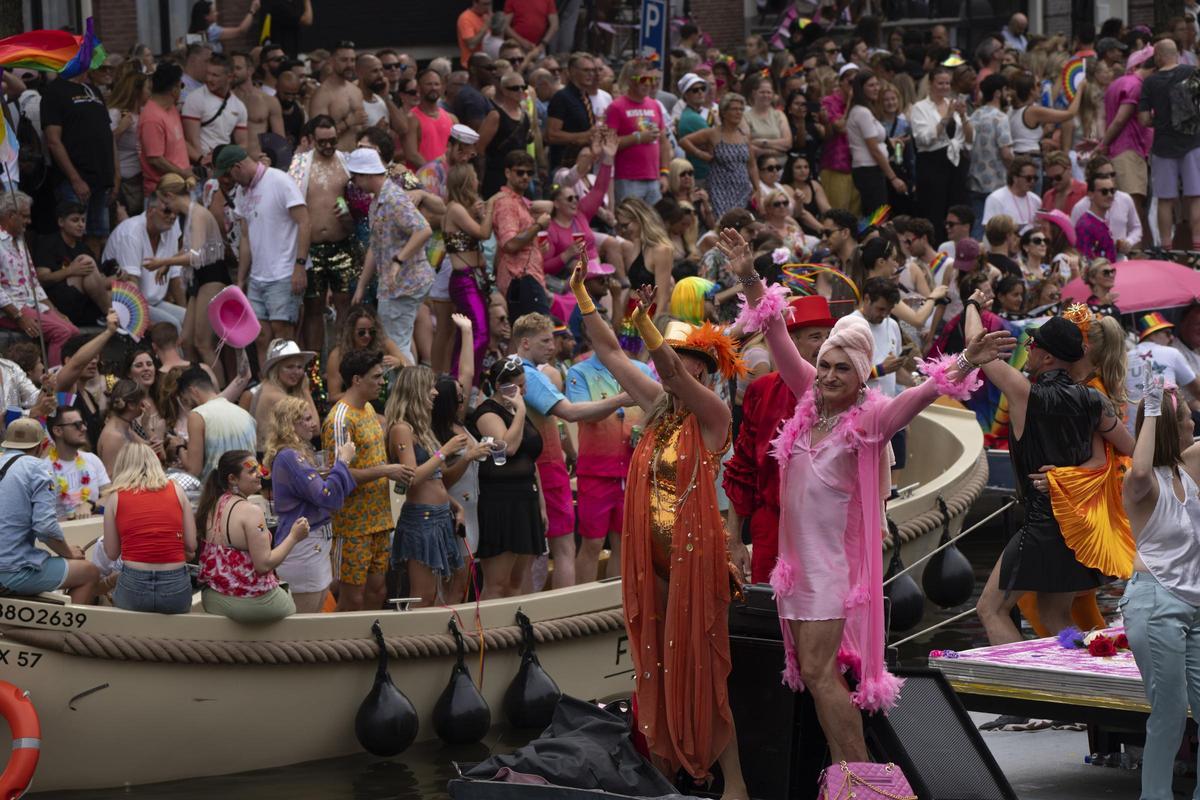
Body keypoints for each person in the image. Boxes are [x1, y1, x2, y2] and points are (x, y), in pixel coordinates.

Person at [726, 230, 1010, 770]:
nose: (828, 375)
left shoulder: (871, 420)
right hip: (794, 571)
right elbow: (776, 333)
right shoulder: (810, 401)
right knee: (816, 675)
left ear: (862, 377)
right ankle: (845, 774)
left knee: (818, 673)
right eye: (825, 365)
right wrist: (747, 275)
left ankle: (859, 774)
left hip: (829, 572)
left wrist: (967, 362)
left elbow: (923, 392)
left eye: (842, 369)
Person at [568, 259, 747, 795]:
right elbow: (608, 352)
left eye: (691, 361)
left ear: (704, 372)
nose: (677, 369)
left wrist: (648, 324)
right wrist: (581, 292)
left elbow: (663, 368)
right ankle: (666, 771)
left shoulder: (713, 414)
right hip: (653, 555)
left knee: (705, 673)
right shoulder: (656, 407)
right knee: (657, 664)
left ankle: (734, 782)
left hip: (696, 557)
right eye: (680, 359)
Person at [969, 295, 1133, 644]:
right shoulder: (1094, 400)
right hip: (1077, 527)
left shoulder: (1023, 392)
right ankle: (1085, 679)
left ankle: (1022, 686)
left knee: (990, 609)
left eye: (1032, 346)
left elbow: (976, 348)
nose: (1027, 352)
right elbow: (1128, 449)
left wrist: (972, 304)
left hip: (1043, 524)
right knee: (1054, 614)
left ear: (1046, 357)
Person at [1121, 375, 1200, 800]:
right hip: (1155, 604)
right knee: (1169, 711)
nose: (1193, 425)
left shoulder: (1188, 472)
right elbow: (1138, 466)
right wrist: (1151, 409)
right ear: (1172, 426)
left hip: (1194, 606)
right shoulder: (1142, 485)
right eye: (1188, 419)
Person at [723, 295, 834, 584]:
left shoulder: (844, 397)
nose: (825, 343)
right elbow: (743, 468)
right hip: (771, 527)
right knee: (771, 616)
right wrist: (734, 540)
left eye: (829, 336)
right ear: (790, 342)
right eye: (814, 336)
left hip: (828, 529)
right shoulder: (762, 391)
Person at [511, 312, 628, 587]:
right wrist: (621, 398)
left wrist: (571, 453)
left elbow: (558, 425)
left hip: (538, 466)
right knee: (562, 547)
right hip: (545, 467)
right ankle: (567, 611)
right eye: (545, 341)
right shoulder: (529, 375)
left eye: (553, 340)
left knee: (532, 551)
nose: (552, 346)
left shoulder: (512, 371)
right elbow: (571, 413)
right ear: (525, 343)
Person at [322, 349, 413, 611]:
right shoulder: (340, 420)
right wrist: (386, 471)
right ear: (356, 380)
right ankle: (344, 650)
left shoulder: (369, 408)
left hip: (379, 519)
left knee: (378, 590)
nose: (382, 382)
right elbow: (338, 474)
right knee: (352, 597)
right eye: (376, 377)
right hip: (352, 525)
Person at [385, 366, 473, 606]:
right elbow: (412, 477)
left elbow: (435, 478)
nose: (435, 392)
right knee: (421, 595)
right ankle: (413, 643)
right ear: (415, 391)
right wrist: (445, 451)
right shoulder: (401, 429)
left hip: (440, 516)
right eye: (430, 387)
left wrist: (456, 507)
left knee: (434, 595)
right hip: (421, 520)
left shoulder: (420, 429)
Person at [219, 144, 310, 367]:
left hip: (283, 272)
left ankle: (290, 393)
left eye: (229, 175)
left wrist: (299, 265)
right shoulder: (242, 191)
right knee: (260, 338)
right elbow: (246, 237)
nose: (229, 181)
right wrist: (241, 278)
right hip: (258, 276)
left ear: (238, 167)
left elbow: (304, 221)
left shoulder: (279, 181)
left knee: (283, 338)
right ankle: (266, 390)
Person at [263, 396, 356, 613]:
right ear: (290, 424)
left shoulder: (296, 454)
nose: (313, 423)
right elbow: (325, 496)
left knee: (316, 612)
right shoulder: (289, 457)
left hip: (315, 543)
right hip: (304, 546)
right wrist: (343, 462)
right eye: (306, 419)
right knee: (305, 622)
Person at [467, 356, 545, 598]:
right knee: (497, 582)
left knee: (516, 581)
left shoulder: (517, 409)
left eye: (524, 384)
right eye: (518, 386)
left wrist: (541, 504)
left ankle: (513, 634)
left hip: (526, 498)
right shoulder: (487, 413)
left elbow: (531, 459)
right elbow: (508, 447)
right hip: (501, 501)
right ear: (501, 387)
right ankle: (491, 633)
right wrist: (520, 410)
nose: (524, 390)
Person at [347, 147, 433, 365]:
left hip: (404, 283)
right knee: (397, 341)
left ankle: (407, 394)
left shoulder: (393, 198)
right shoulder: (377, 202)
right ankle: (408, 391)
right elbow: (375, 247)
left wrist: (398, 260)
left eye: (355, 176)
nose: (354, 182)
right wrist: (361, 285)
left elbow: (423, 230)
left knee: (395, 344)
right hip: (394, 285)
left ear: (366, 174)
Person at [195, 450, 303, 621]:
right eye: (252, 471)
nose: (260, 474)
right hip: (248, 603)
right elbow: (264, 564)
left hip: (214, 598)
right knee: (289, 600)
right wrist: (294, 537)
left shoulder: (212, 504)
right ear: (232, 479)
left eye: (258, 468)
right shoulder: (251, 512)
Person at [0, 418, 99, 603]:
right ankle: (68, 632)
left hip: (7, 566)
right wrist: (69, 552)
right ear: (41, 446)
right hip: (9, 571)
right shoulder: (37, 468)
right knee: (89, 572)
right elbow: (45, 528)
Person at [145, 173, 230, 375]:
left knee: (203, 343)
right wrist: (168, 264)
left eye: (164, 202)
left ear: (169, 196)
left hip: (212, 277)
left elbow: (196, 255)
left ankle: (220, 396)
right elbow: (190, 249)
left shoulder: (198, 214)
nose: (167, 209)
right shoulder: (190, 215)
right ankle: (192, 385)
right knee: (186, 341)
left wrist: (164, 261)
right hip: (200, 279)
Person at [286, 115, 355, 355]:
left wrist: (349, 214)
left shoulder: (346, 163)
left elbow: (359, 202)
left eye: (332, 141)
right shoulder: (299, 164)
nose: (327, 146)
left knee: (345, 306)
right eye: (322, 141)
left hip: (342, 244)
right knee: (313, 308)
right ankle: (315, 370)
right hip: (312, 248)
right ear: (312, 140)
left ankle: (342, 361)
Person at [102, 443, 196, 614]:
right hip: (175, 584)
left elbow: (112, 553)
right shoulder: (177, 490)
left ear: (122, 466)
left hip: (133, 583)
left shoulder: (115, 497)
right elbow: (191, 545)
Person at [40, 58, 116, 255]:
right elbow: (53, 140)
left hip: (102, 179)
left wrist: (116, 175)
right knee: (74, 235)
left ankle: (93, 278)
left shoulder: (93, 90)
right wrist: (75, 179)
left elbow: (108, 134)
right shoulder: (53, 92)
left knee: (98, 235)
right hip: (74, 181)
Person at [1138, 39, 1200, 250]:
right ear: (1176, 54)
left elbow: (1144, 119)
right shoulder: (1192, 73)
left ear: (1158, 56)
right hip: (1192, 142)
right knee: (1195, 196)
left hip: (1163, 146)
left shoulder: (1150, 82)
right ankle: (1197, 247)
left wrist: (1161, 120)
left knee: (1165, 199)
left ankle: (1166, 248)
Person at [101, 193, 188, 332]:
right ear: (150, 210)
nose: (172, 216)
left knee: (190, 320)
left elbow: (174, 277)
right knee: (171, 326)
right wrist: (144, 323)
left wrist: (184, 310)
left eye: (175, 213)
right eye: (167, 211)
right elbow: (131, 284)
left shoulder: (170, 229)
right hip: (126, 303)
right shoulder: (131, 232)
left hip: (154, 302)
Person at [1097, 46, 1154, 250]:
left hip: (1120, 150)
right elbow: (1120, 119)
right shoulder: (1137, 86)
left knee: (1127, 205)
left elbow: (1110, 118)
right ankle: (1138, 254)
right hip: (1129, 151)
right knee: (1134, 205)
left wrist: (1103, 143)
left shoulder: (1118, 83)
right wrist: (1103, 145)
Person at [910, 66, 971, 241]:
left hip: (955, 163)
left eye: (947, 83)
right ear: (931, 84)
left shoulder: (953, 103)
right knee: (934, 211)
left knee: (956, 210)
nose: (945, 87)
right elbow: (923, 139)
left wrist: (964, 116)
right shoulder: (920, 108)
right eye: (940, 83)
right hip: (932, 164)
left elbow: (968, 138)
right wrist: (946, 118)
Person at [33, 200, 110, 329]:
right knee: (85, 261)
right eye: (75, 220)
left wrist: (119, 279)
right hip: (57, 300)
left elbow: (99, 281)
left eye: (83, 221)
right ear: (61, 222)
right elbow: (41, 279)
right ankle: (112, 316)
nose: (81, 225)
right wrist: (70, 271)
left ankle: (111, 315)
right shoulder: (48, 243)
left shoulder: (84, 247)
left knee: (125, 286)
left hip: (84, 301)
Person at [493, 150, 552, 319]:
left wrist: (537, 247)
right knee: (539, 334)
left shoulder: (519, 202)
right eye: (520, 172)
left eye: (529, 173)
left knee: (525, 337)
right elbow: (510, 244)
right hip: (520, 278)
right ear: (507, 173)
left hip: (527, 277)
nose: (525, 177)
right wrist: (539, 225)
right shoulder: (507, 204)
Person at [681, 93, 756, 221]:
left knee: (740, 223)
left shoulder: (744, 135)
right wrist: (701, 154)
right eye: (734, 109)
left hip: (742, 189)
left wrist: (757, 189)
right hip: (720, 189)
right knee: (722, 223)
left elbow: (752, 165)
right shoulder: (713, 133)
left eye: (740, 109)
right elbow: (684, 141)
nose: (738, 112)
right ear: (724, 112)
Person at [606, 60, 670, 205]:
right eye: (643, 79)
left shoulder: (655, 105)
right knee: (631, 221)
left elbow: (664, 143)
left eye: (652, 79)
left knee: (653, 225)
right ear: (630, 81)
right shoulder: (616, 107)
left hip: (653, 178)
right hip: (628, 179)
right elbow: (608, 144)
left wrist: (665, 173)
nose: (649, 84)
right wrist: (639, 138)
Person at [846, 70, 908, 217]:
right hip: (869, 170)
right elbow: (873, 149)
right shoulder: (862, 112)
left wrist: (890, 142)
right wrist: (893, 178)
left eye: (877, 84)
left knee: (878, 215)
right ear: (861, 89)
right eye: (871, 85)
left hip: (873, 170)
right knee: (876, 216)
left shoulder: (866, 111)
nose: (876, 88)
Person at [241, 338, 317, 451]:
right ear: (276, 369)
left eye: (300, 367)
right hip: (272, 460)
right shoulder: (279, 397)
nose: (296, 372)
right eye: (289, 367)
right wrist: (305, 391)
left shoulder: (262, 388)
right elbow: (315, 428)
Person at [325, 305, 408, 404]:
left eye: (371, 331)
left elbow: (411, 367)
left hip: (384, 404)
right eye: (361, 332)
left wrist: (400, 363)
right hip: (353, 406)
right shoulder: (337, 355)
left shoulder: (383, 343)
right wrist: (362, 392)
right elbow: (333, 397)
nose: (367, 336)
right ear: (350, 331)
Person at [182, 54, 250, 168]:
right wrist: (203, 161)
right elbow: (192, 140)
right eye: (208, 73)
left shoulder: (239, 106)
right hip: (200, 166)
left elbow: (243, 144)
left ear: (229, 77)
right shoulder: (195, 98)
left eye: (215, 75)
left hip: (224, 165)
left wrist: (226, 155)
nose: (209, 79)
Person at [46, 406, 110, 521]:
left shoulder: (92, 460)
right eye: (77, 425)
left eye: (83, 423)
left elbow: (110, 495)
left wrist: (90, 504)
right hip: (62, 534)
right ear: (58, 431)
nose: (84, 428)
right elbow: (41, 515)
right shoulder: (43, 469)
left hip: (94, 532)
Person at [139, 62, 193, 196]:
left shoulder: (171, 108)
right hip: (163, 193)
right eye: (181, 85)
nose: (182, 90)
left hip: (180, 187)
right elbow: (155, 159)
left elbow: (178, 143)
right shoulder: (152, 118)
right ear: (174, 88)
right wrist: (183, 173)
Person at [478, 72, 535, 198]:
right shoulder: (496, 115)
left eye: (523, 87)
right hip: (497, 176)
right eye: (514, 88)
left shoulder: (525, 115)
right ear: (504, 90)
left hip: (520, 176)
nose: (520, 90)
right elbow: (479, 148)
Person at [307, 42, 367, 152]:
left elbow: (360, 129)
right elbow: (318, 137)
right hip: (334, 158)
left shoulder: (356, 91)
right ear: (331, 61)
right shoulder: (322, 95)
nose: (349, 65)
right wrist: (348, 123)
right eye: (344, 60)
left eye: (352, 60)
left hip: (357, 158)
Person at [819, 64, 861, 216]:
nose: (854, 87)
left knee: (856, 215)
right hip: (836, 165)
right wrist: (850, 101)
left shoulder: (862, 101)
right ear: (841, 82)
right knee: (838, 215)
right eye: (851, 82)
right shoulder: (829, 101)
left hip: (857, 165)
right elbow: (841, 127)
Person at [547, 53, 598, 173]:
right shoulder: (561, 97)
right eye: (586, 70)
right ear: (572, 71)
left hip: (584, 165)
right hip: (565, 166)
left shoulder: (585, 97)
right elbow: (551, 135)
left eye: (593, 70)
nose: (591, 74)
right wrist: (584, 136)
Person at [405, 69, 458, 168]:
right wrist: (435, 172)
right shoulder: (411, 118)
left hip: (447, 180)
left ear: (442, 88)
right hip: (420, 180)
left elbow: (458, 150)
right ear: (418, 88)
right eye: (429, 84)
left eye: (437, 84)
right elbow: (411, 155)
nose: (433, 88)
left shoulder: (452, 118)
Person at [983, 156, 1042, 229]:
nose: (1032, 182)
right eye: (1028, 178)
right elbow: (989, 229)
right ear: (1015, 178)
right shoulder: (996, 199)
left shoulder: (1036, 200)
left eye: (1035, 178)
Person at [1075, 173, 1119, 262]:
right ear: (1091, 194)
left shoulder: (1100, 221)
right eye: (1104, 191)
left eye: (1112, 191)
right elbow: (1084, 263)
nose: (1110, 195)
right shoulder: (1085, 226)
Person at [189, 0, 261, 53]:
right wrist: (252, 10)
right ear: (206, 17)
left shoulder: (194, 33)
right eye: (213, 12)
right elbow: (241, 31)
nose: (217, 13)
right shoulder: (212, 31)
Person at [1040, 151, 1087, 215]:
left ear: (1069, 169)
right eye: (1050, 179)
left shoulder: (1085, 192)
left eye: (1058, 177)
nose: (1054, 182)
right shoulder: (1047, 196)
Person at [457, 0, 493, 69]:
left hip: (487, 63)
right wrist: (486, 26)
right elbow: (471, 45)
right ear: (475, 3)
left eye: (490, 4)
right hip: (472, 66)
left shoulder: (488, 16)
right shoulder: (465, 18)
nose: (488, 8)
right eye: (485, 4)